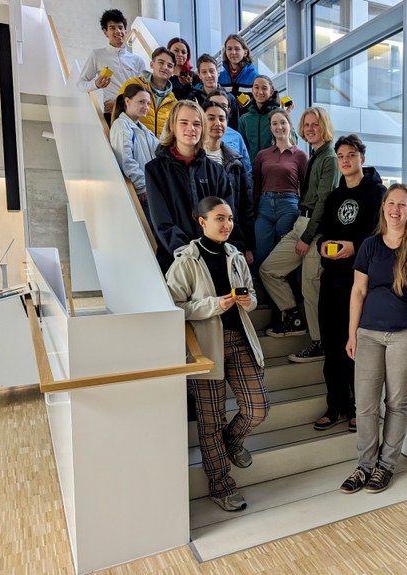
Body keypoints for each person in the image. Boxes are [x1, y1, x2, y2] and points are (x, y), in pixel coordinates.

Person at [165, 195, 268, 512]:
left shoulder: (236, 256)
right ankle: (221, 485)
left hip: (239, 341)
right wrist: (214, 305)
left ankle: (231, 441)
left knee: (258, 408)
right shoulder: (185, 262)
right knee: (209, 423)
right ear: (202, 221)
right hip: (206, 348)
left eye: (231, 218)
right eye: (220, 218)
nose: (227, 224)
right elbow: (172, 308)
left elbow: (251, 296)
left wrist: (247, 301)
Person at [340, 183, 407, 495]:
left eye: (402, 204)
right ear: (384, 207)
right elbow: (358, 291)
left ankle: (385, 466)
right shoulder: (370, 245)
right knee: (365, 405)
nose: (395, 210)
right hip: (369, 333)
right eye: (390, 203)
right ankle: (364, 465)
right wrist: (352, 333)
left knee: (396, 401)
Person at [314, 134, 386, 432]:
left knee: (357, 346)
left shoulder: (378, 193)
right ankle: (336, 406)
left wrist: (354, 246)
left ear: (362, 158)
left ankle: (360, 408)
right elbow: (324, 231)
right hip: (332, 279)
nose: (345, 160)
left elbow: (382, 235)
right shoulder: (333, 197)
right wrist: (322, 246)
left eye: (351, 155)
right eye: (341, 155)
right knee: (332, 346)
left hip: (361, 283)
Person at [259, 107, 339, 363]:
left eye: (315, 124)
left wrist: (307, 238)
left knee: (310, 288)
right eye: (306, 125)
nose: (310, 129)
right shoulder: (314, 154)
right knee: (268, 270)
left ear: (324, 125)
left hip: (315, 230)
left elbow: (325, 202)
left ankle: (320, 343)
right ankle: (291, 315)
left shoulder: (329, 156)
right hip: (300, 222)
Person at [145, 100, 234, 270]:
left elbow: (226, 216)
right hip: (176, 260)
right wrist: (189, 255)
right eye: (184, 122)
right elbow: (162, 222)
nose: (191, 129)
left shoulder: (216, 171)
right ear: (172, 126)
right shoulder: (155, 170)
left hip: (213, 257)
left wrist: (208, 251)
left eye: (196, 124)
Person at [251, 109, 308, 268]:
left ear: (290, 125)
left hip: (288, 206)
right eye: (274, 123)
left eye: (283, 122)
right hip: (264, 206)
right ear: (270, 128)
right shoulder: (262, 155)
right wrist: (253, 210)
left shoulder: (300, 156)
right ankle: (259, 291)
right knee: (260, 251)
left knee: (283, 253)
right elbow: (256, 186)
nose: (279, 127)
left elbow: (304, 189)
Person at [202, 100, 255, 262]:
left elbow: (246, 207)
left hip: (232, 237)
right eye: (211, 118)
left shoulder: (236, 162)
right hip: (202, 240)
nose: (217, 123)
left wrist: (249, 246)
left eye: (222, 119)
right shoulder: (193, 160)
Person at [76, 9, 145, 123]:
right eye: (112, 28)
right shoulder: (97, 55)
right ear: (105, 32)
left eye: (120, 27)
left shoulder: (138, 60)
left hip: (136, 115)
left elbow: (144, 90)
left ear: (125, 31)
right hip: (112, 115)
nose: (118, 31)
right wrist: (96, 84)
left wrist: (119, 104)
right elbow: (80, 84)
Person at [109, 84, 160, 227]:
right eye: (141, 102)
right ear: (127, 101)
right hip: (142, 192)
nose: (145, 106)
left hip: (150, 190)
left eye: (148, 103)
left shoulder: (143, 129)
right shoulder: (121, 125)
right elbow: (125, 159)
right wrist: (141, 185)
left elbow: (161, 149)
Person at [114, 47, 177, 137]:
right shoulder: (132, 84)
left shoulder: (174, 102)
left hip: (161, 149)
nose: (165, 67)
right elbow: (118, 113)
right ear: (152, 64)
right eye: (161, 62)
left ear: (173, 71)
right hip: (133, 144)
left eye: (170, 66)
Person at [202, 88, 252, 176]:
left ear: (228, 111)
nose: (217, 108)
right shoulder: (197, 135)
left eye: (223, 106)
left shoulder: (236, 137)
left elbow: (247, 170)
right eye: (213, 104)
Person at [239, 75, 284, 164]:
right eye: (256, 87)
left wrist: (285, 117)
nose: (260, 92)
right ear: (252, 90)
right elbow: (241, 148)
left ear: (271, 92)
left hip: (274, 168)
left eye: (264, 88)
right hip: (251, 170)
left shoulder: (278, 115)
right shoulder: (244, 119)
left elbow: (292, 140)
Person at [189, 54, 240, 132]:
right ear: (199, 75)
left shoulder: (230, 98)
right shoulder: (192, 98)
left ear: (218, 72)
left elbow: (234, 127)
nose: (209, 75)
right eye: (204, 72)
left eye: (212, 71)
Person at [219, 34, 258, 109]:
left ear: (245, 52)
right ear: (226, 52)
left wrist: (250, 102)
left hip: (246, 120)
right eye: (229, 49)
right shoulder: (219, 78)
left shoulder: (255, 77)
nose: (233, 52)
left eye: (237, 49)